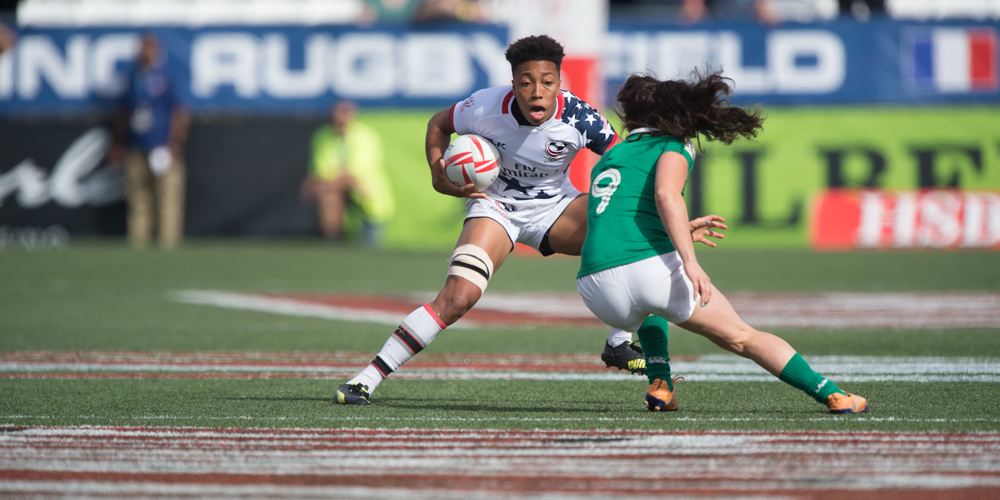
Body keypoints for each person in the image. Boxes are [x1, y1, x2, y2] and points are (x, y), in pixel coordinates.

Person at [335, 35, 721, 405]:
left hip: (555, 207)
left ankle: (619, 342)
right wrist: (438, 169)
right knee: (458, 297)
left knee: (642, 247)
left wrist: (659, 221)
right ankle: (365, 380)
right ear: (514, 83)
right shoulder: (483, 107)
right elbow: (438, 124)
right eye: (526, 82)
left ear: (558, 83)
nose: (537, 90)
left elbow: (628, 169)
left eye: (547, 82)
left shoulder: (582, 118)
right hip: (496, 206)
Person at [575, 71, 869, 414]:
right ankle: (833, 394)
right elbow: (666, 195)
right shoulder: (673, 144)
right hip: (646, 273)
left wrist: (680, 232)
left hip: (595, 288)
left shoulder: (612, 155)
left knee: (650, 308)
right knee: (742, 337)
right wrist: (690, 261)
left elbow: (623, 218)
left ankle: (660, 384)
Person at [109, 33, 188, 249]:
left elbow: (179, 113)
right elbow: (124, 113)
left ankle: (167, 246)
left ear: (156, 50)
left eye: (147, 48)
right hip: (137, 146)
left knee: (168, 201)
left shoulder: (167, 76)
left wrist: (174, 144)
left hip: (162, 146)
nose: (142, 52)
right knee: (138, 199)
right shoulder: (133, 77)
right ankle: (138, 246)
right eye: (140, 48)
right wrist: (119, 143)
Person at [301, 100, 395, 245]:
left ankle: (365, 242)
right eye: (336, 114)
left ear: (353, 116)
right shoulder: (323, 136)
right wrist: (322, 186)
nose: (339, 119)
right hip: (339, 190)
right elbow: (321, 170)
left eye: (344, 114)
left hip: (366, 194)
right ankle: (333, 241)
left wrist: (324, 185)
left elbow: (355, 175)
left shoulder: (366, 136)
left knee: (371, 247)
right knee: (328, 196)